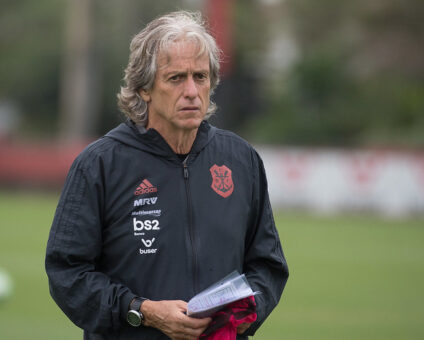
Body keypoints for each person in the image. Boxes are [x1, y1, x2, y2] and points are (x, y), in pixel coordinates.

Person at [45, 11, 288, 340]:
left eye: (200, 77)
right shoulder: (100, 165)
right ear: (144, 88)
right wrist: (141, 311)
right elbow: (67, 273)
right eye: (176, 78)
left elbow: (267, 265)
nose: (191, 91)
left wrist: (251, 310)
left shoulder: (240, 159)